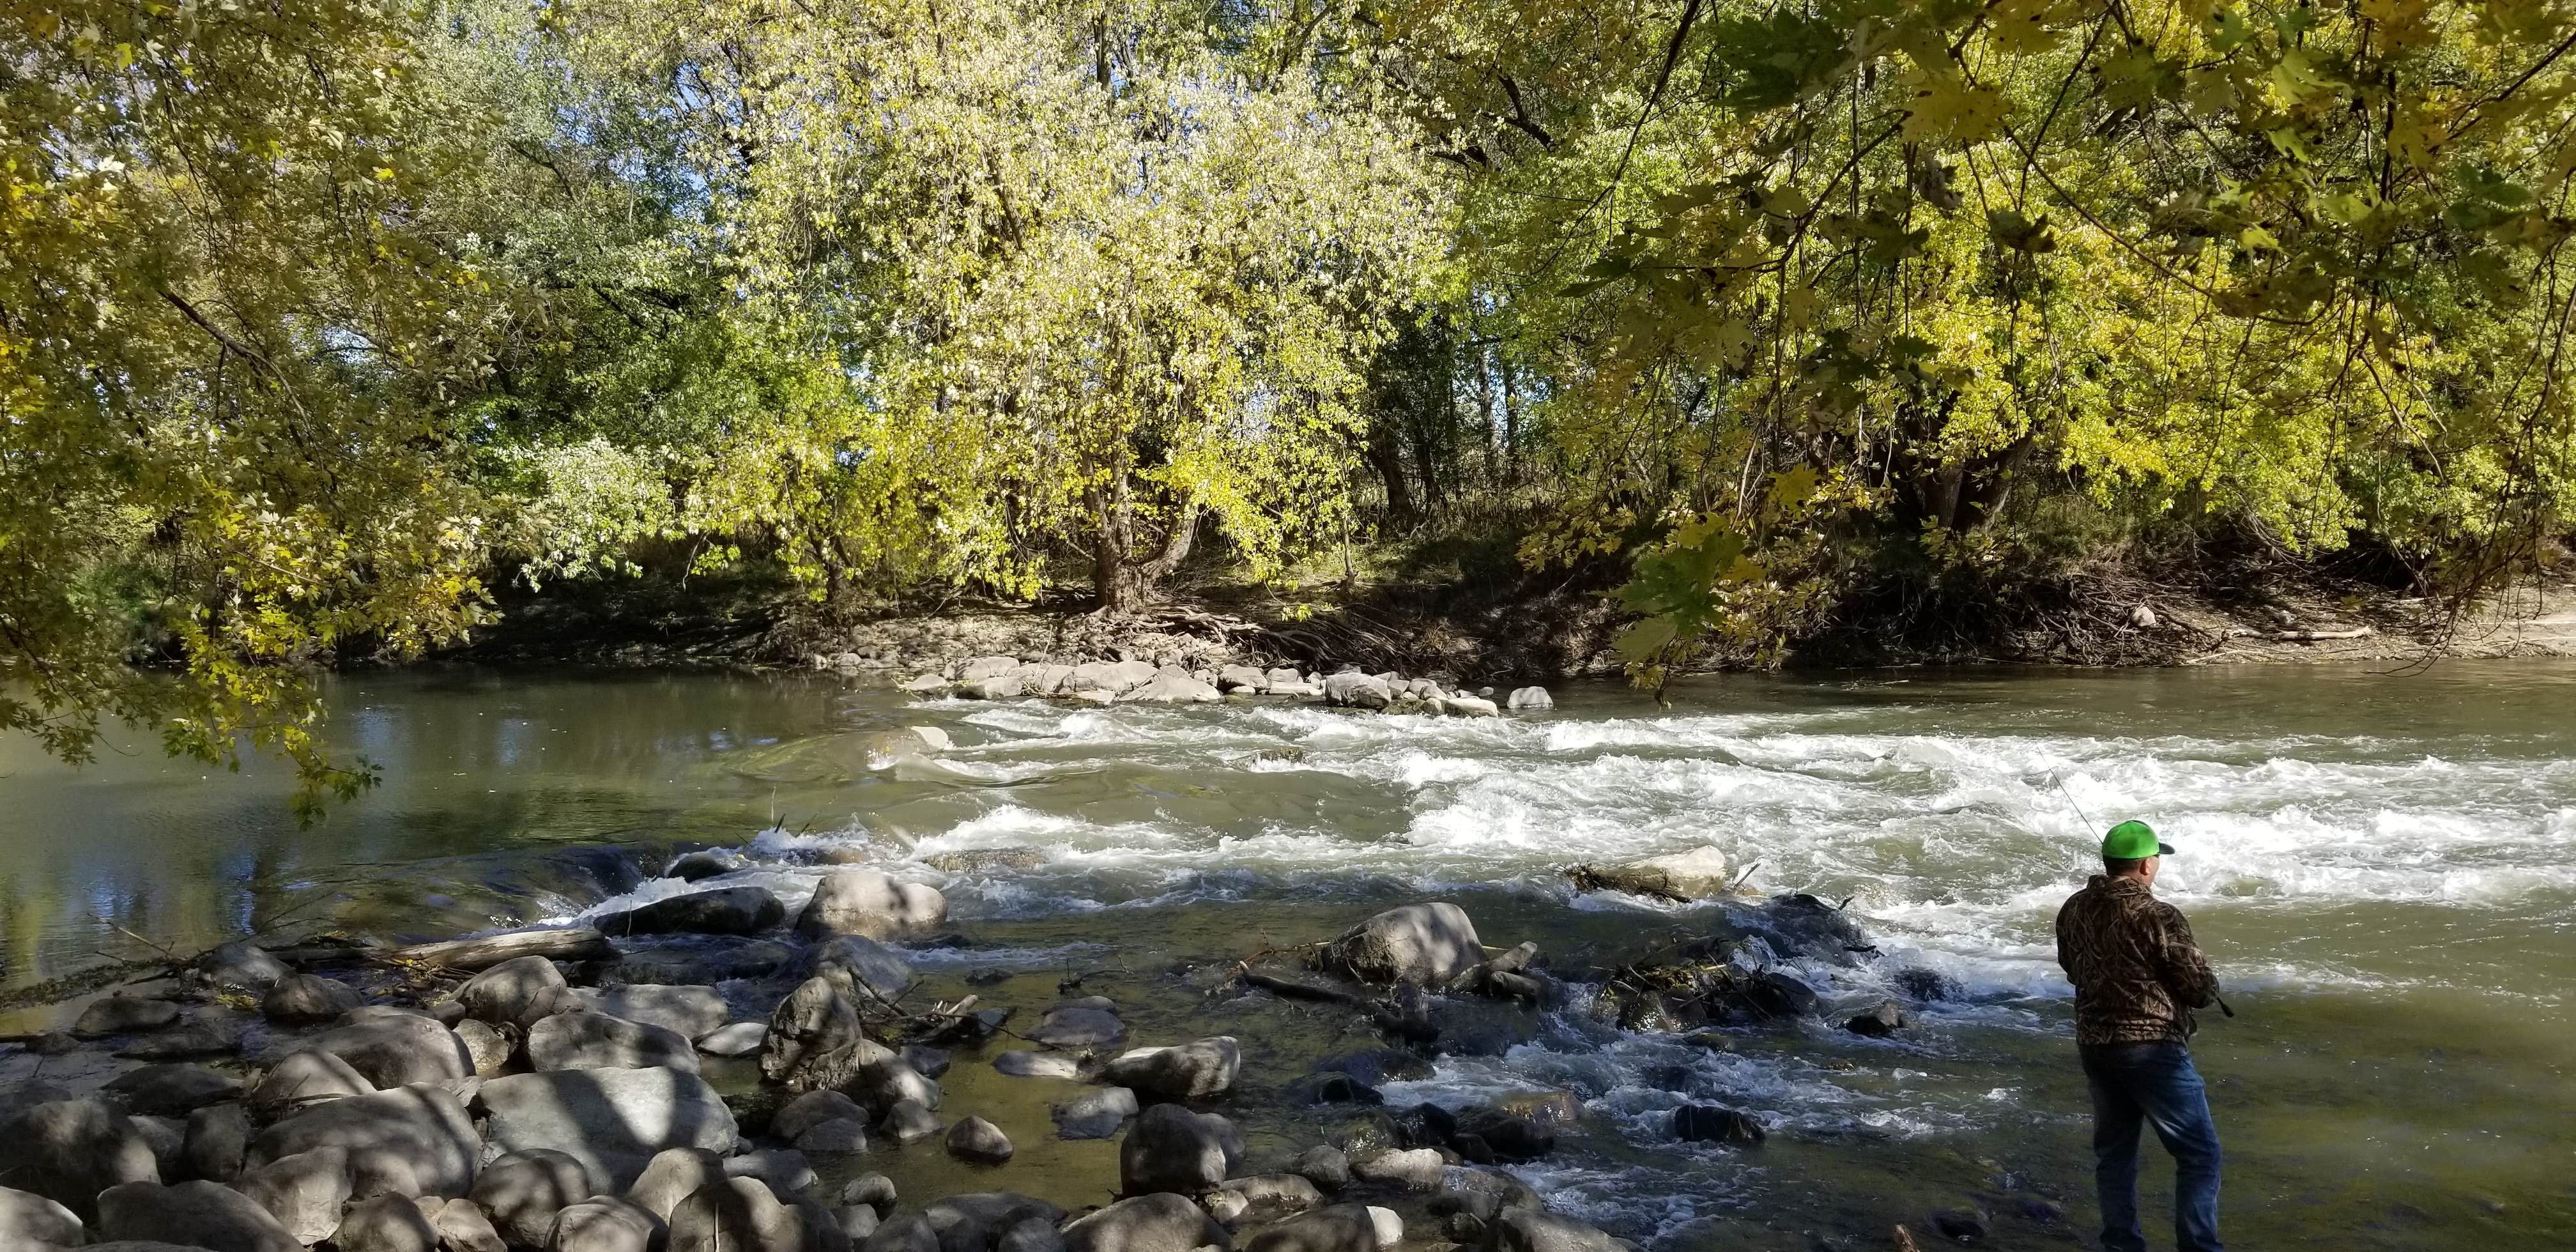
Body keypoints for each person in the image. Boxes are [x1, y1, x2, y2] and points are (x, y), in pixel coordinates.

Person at [2055, 819, 2224, 1252]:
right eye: (2156, 859)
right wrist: (2208, 983)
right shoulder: (2160, 915)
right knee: (2199, 1155)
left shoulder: (2073, 908)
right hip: (2152, 1049)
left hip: (2095, 1045)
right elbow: (2198, 990)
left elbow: (2071, 967)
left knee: (2114, 1156)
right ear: (2147, 865)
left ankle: (2121, 1245)